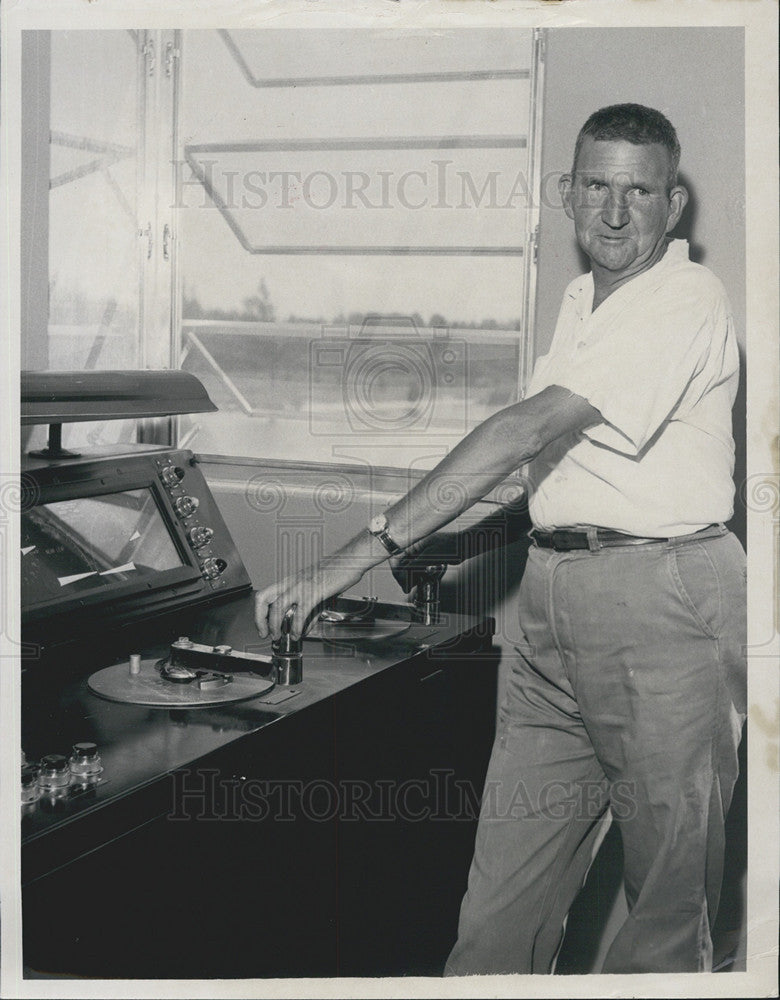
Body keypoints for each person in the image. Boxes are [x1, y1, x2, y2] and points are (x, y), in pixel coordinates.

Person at [255, 103, 746, 974]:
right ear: (567, 192)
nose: (615, 211)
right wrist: (455, 544)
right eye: (596, 186)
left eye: (640, 191)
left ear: (674, 206)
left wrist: (351, 558)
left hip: (665, 606)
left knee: (663, 914)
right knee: (498, 908)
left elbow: (523, 431)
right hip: (553, 604)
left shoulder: (684, 296)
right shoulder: (581, 302)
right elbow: (568, 476)